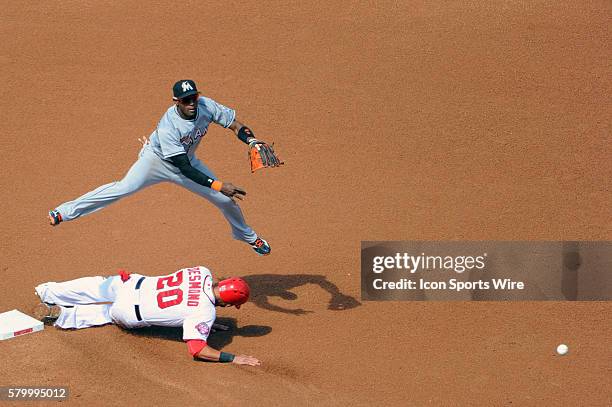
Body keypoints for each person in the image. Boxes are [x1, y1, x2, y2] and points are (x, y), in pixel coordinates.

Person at [48, 79, 271, 256]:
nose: (191, 103)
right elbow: (183, 168)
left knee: (224, 201)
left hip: (187, 161)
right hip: (157, 161)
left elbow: (234, 124)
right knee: (123, 188)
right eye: (186, 100)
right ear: (176, 101)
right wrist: (219, 184)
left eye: (193, 97)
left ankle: (248, 237)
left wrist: (252, 140)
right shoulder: (169, 126)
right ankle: (64, 212)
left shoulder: (206, 106)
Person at [33, 266, 261, 366]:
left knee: (95, 286)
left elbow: (189, 296)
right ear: (228, 304)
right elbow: (197, 350)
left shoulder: (202, 271)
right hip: (128, 312)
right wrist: (233, 358)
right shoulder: (204, 312)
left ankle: (48, 292)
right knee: (102, 313)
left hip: (128, 283)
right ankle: (62, 315)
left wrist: (206, 322)